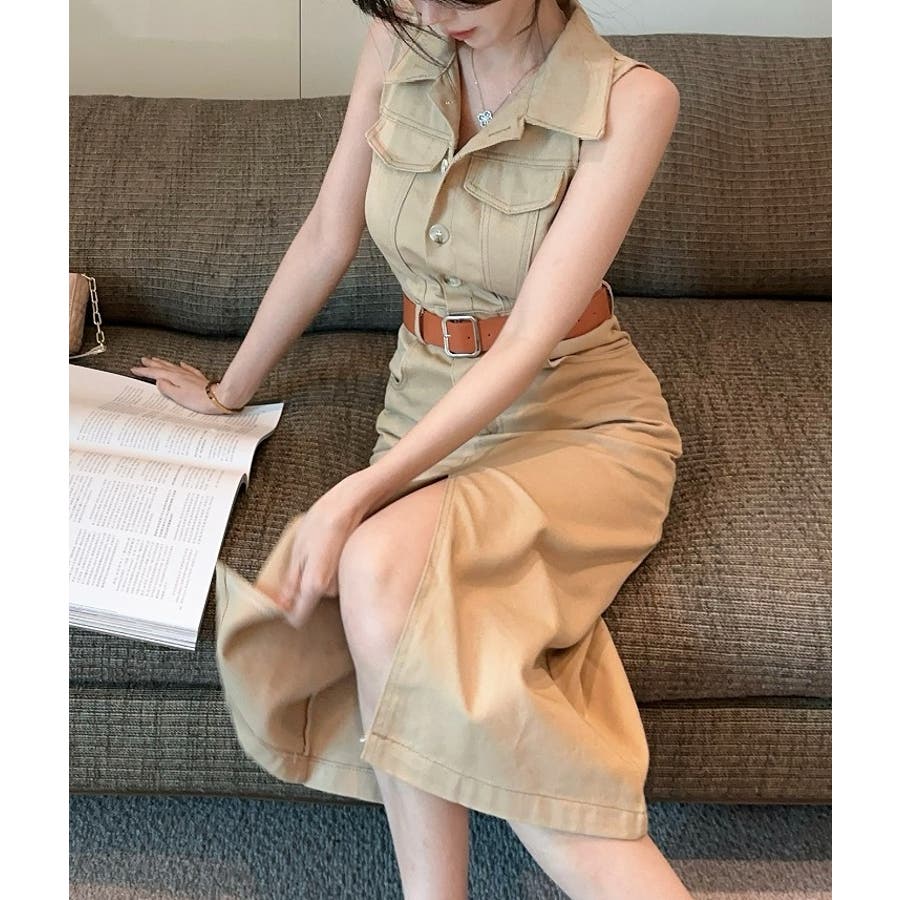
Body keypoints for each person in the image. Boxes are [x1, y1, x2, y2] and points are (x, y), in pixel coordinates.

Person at [132, 1, 692, 897]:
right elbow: (328, 233)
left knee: (376, 566)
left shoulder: (632, 101)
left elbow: (524, 345)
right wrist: (229, 390)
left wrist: (355, 495)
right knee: (396, 600)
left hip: (573, 422)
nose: (433, 14)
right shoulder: (398, 40)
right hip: (425, 410)